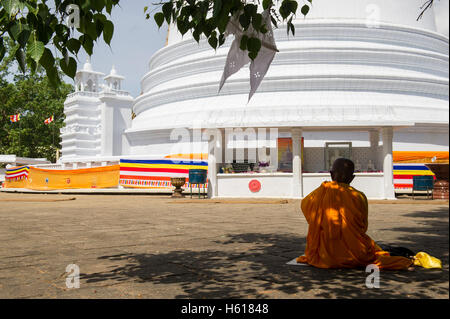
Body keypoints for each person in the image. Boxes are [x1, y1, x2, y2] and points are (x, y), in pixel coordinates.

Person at [296, 158, 413, 270]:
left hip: (322, 254)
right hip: (355, 252)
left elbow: (307, 210)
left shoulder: (317, 195)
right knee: (378, 250)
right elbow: (362, 226)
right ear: (352, 178)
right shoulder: (358, 196)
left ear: (331, 174)